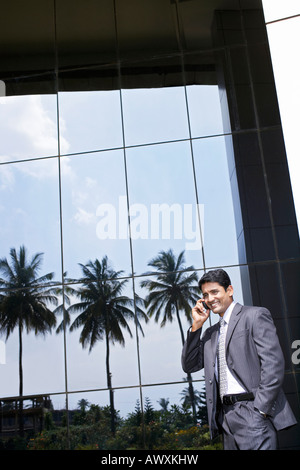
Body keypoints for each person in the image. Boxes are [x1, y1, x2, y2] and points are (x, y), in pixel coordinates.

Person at [181, 269, 296, 450]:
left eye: (214, 292)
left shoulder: (254, 316)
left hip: (253, 411)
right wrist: (196, 326)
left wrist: (260, 410)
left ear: (230, 290)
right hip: (226, 418)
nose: (210, 299)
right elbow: (190, 365)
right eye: (205, 295)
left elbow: (273, 365)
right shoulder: (211, 334)